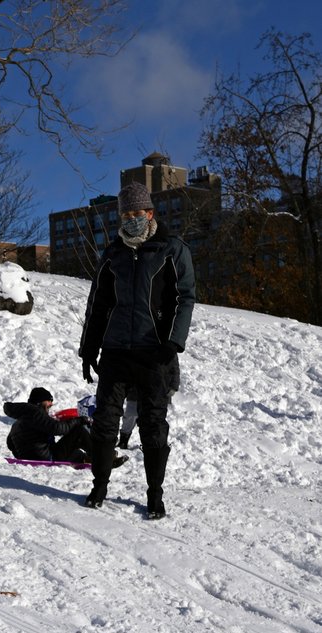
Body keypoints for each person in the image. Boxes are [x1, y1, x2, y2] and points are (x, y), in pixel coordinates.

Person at [79, 181, 195, 519]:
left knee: (153, 424)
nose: (132, 218)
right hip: (115, 350)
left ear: (150, 213)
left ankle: (154, 495)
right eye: (126, 213)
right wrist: (89, 349)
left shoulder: (171, 249)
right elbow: (97, 305)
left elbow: (184, 297)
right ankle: (99, 486)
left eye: (137, 212)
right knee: (104, 421)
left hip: (153, 352)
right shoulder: (113, 253)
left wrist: (173, 342)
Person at [4, 387, 127, 467]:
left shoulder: (19, 420)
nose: (50, 406)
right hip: (46, 457)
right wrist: (77, 421)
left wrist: (23, 457)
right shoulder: (36, 412)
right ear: (40, 401)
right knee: (78, 432)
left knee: (74, 450)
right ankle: (105, 458)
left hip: (37, 456)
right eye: (48, 403)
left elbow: (10, 443)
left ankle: (88, 459)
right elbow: (57, 428)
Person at [119, 356, 181, 449]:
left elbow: (174, 367)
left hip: (158, 388)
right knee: (130, 413)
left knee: (152, 418)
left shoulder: (167, 345)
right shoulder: (139, 342)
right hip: (136, 385)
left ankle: (151, 444)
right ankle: (124, 440)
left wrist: (173, 385)